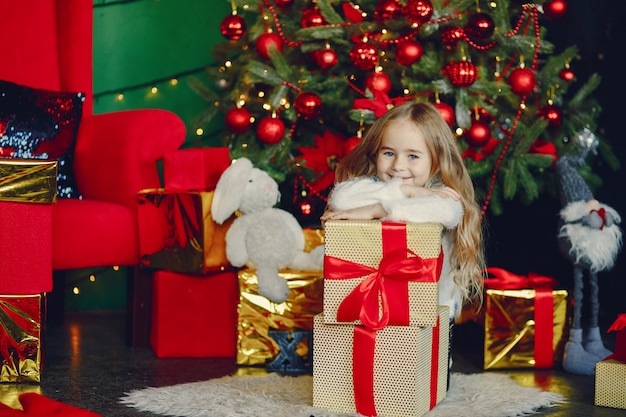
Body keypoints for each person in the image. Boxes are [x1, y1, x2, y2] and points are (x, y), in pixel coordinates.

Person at [321, 102, 485, 371]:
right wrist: (405, 193)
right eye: (389, 152)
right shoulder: (366, 187)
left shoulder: (441, 197)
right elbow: (343, 198)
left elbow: (440, 212)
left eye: (413, 156)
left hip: (425, 316)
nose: (398, 166)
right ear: (375, 155)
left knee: (413, 371)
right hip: (367, 306)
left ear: (436, 161)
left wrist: (379, 208)